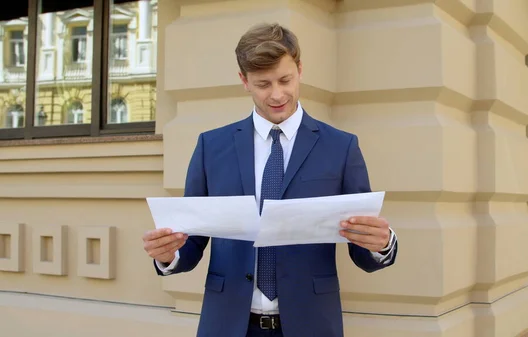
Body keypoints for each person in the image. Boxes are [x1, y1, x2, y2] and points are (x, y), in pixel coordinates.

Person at [142, 22, 398, 337]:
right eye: (263, 84)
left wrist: (381, 244)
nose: (277, 95)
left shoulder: (341, 147)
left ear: (300, 70)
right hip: (227, 325)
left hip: (311, 325)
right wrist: (169, 255)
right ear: (244, 81)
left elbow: (363, 248)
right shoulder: (212, 147)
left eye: (285, 80)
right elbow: (193, 239)